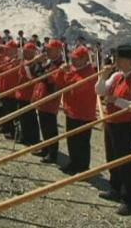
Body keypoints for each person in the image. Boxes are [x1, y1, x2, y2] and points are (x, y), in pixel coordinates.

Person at [95, 44, 131, 216]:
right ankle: (115, 188)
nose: (116, 60)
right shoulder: (117, 76)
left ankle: (129, 200)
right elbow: (99, 91)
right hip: (111, 121)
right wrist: (103, 77)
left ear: (130, 61)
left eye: (119, 58)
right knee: (112, 157)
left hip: (125, 125)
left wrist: (116, 100)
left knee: (126, 162)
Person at [52, 46, 98, 174]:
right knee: (71, 140)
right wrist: (61, 72)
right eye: (72, 58)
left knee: (81, 142)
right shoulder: (74, 70)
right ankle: (74, 163)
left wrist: (68, 75)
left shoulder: (90, 73)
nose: (73, 61)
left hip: (83, 113)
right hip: (71, 110)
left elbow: (78, 87)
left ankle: (82, 167)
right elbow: (60, 84)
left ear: (84, 59)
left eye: (76, 59)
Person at [31, 39, 65, 164]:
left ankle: (52, 153)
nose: (48, 52)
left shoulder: (59, 64)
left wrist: (39, 64)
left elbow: (45, 78)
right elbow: (37, 74)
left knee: (50, 127)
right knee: (44, 126)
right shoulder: (50, 63)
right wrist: (38, 64)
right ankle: (46, 148)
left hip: (50, 99)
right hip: (43, 96)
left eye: (50, 50)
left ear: (58, 51)